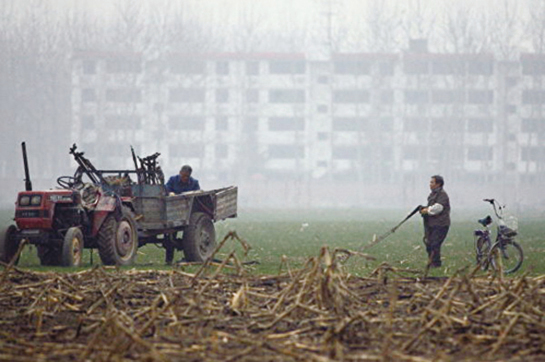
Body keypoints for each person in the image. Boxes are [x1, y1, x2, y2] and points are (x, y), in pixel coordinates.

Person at [419, 175, 450, 267]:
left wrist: (427, 210)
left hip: (441, 224)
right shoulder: (432, 194)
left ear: (438, 184)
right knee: (429, 243)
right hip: (431, 224)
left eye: (432, 182)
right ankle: (431, 261)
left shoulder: (442, 195)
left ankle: (436, 263)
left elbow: (438, 208)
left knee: (435, 244)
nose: (430, 184)